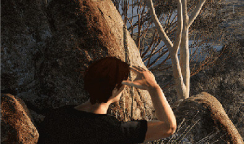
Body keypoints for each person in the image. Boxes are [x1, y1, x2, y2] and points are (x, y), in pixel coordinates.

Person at [37, 56, 177, 143]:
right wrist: (153, 87)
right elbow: (169, 127)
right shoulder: (112, 131)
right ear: (116, 88)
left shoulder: (56, 116)